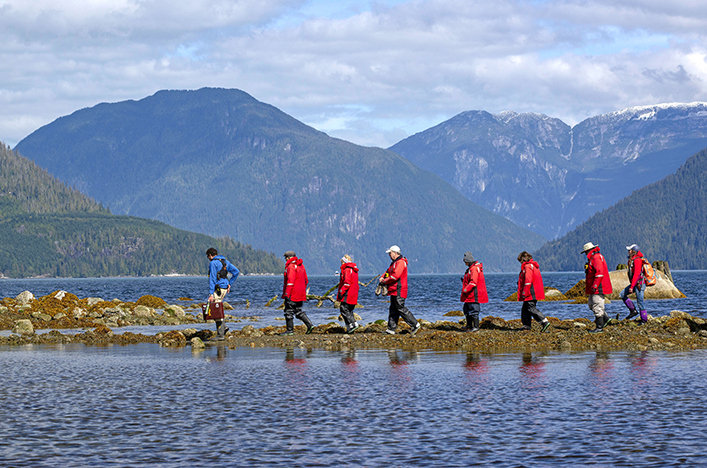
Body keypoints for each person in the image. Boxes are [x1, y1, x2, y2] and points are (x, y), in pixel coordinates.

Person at [379, 245, 421, 335]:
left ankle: (415, 324)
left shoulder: (400, 263)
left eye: (390, 253)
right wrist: (383, 277)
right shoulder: (394, 263)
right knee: (393, 308)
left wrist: (384, 281)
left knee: (400, 308)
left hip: (399, 289)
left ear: (395, 253)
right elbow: (388, 272)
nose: (389, 255)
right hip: (394, 289)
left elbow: (395, 276)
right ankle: (391, 329)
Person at [205, 247, 240, 341]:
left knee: (216, 310)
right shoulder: (225, 262)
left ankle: (220, 334)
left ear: (210, 255)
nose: (208, 258)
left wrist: (211, 294)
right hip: (224, 288)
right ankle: (224, 328)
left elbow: (212, 279)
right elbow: (236, 272)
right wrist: (230, 284)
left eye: (208, 256)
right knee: (218, 308)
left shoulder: (213, 263)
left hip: (218, 289)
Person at [581, 242, 613, 333]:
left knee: (597, 305)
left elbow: (599, 272)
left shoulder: (596, 258)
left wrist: (595, 285)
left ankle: (599, 327)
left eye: (586, 252)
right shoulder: (593, 258)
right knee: (591, 304)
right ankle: (606, 319)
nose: (586, 254)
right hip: (595, 286)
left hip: (599, 286)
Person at [280, 251, 314, 336]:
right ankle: (309, 325)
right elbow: (306, 280)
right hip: (300, 293)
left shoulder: (290, 267)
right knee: (298, 311)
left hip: (292, 293)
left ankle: (289, 330)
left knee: (288, 311)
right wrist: (302, 290)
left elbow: (290, 282)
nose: (285, 260)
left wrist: (287, 294)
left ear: (288, 258)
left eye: (285, 258)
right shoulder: (301, 266)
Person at [516, 251, 550, 332]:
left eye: (520, 261)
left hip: (531, 291)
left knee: (531, 308)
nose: (520, 263)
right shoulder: (533, 266)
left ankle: (544, 321)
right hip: (534, 290)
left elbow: (528, 280)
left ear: (523, 259)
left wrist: (524, 292)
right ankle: (526, 325)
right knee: (525, 308)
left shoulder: (528, 267)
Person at [460, 251, 488, 332]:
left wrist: (465, 289)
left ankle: (475, 327)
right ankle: (469, 325)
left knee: (473, 310)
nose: (465, 263)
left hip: (473, 294)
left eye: (465, 262)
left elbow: (473, 282)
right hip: (469, 294)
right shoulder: (471, 269)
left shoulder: (474, 269)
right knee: (467, 309)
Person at [621, 244, 648, 323]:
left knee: (640, 302)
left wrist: (632, 286)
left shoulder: (637, 260)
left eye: (629, 250)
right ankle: (633, 311)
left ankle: (644, 320)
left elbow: (637, 274)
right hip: (635, 284)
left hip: (639, 284)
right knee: (622, 294)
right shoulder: (632, 260)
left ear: (633, 251)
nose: (628, 251)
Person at [337, 254, 360, 334]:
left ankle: (353, 323)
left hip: (348, 292)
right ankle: (349, 328)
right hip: (354, 292)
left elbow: (347, 283)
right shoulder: (354, 269)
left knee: (343, 308)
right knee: (349, 310)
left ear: (344, 262)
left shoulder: (347, 270)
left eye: (341, 262)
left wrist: (341, 292)